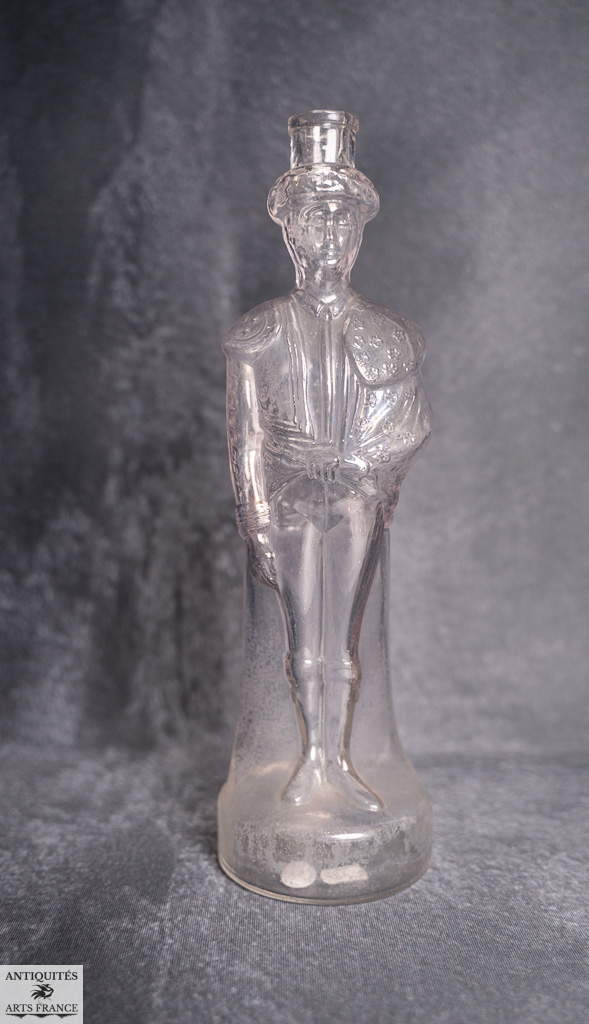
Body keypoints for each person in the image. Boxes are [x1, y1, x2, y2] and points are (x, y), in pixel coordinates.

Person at [223, 145, 431, 813]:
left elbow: (408, 426)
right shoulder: (259, 332)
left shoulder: (386, 331)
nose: (330, 234)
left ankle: (334, 765)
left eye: (343, 219)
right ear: (291, 230)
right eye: (316, 218)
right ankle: (310, 762)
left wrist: (362, 468)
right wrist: (255, 517)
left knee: (340, 642)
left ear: (360, 230)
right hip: (286, 503)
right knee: (300, 636)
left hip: (352, 502)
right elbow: (247, 436)